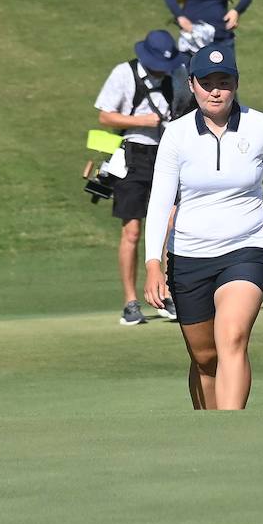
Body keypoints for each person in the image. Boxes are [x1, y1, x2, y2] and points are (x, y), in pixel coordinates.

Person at [142, 44, 263, 410]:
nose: (215, 90)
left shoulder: (262, 127)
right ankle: (208, 433)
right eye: (206, 83)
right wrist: (152, 265)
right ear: (191, 85)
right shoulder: (176, 135)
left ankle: (233, 432)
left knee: (232, 337)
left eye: (223, 82)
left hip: (246, 250)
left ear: (236, 84)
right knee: (205, 358)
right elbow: (160, 202)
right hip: (189, 257)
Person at [96, 29, 188, 326]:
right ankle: (130, 302)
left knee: (170, 224)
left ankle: (166, 293)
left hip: (167, 154)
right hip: (133, 155)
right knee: (132, 231)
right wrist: (141, 121)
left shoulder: (177, 74)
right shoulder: (124, 73)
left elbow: (187, 107)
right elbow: (105, 116)